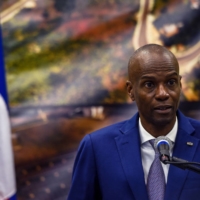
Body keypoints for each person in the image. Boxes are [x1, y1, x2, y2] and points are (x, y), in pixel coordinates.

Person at [67, 44, 200, 200]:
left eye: (171, 82)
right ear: (131, 90)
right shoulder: (97, 147)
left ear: (180, 84)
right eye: (149, 84)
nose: (163, 94)